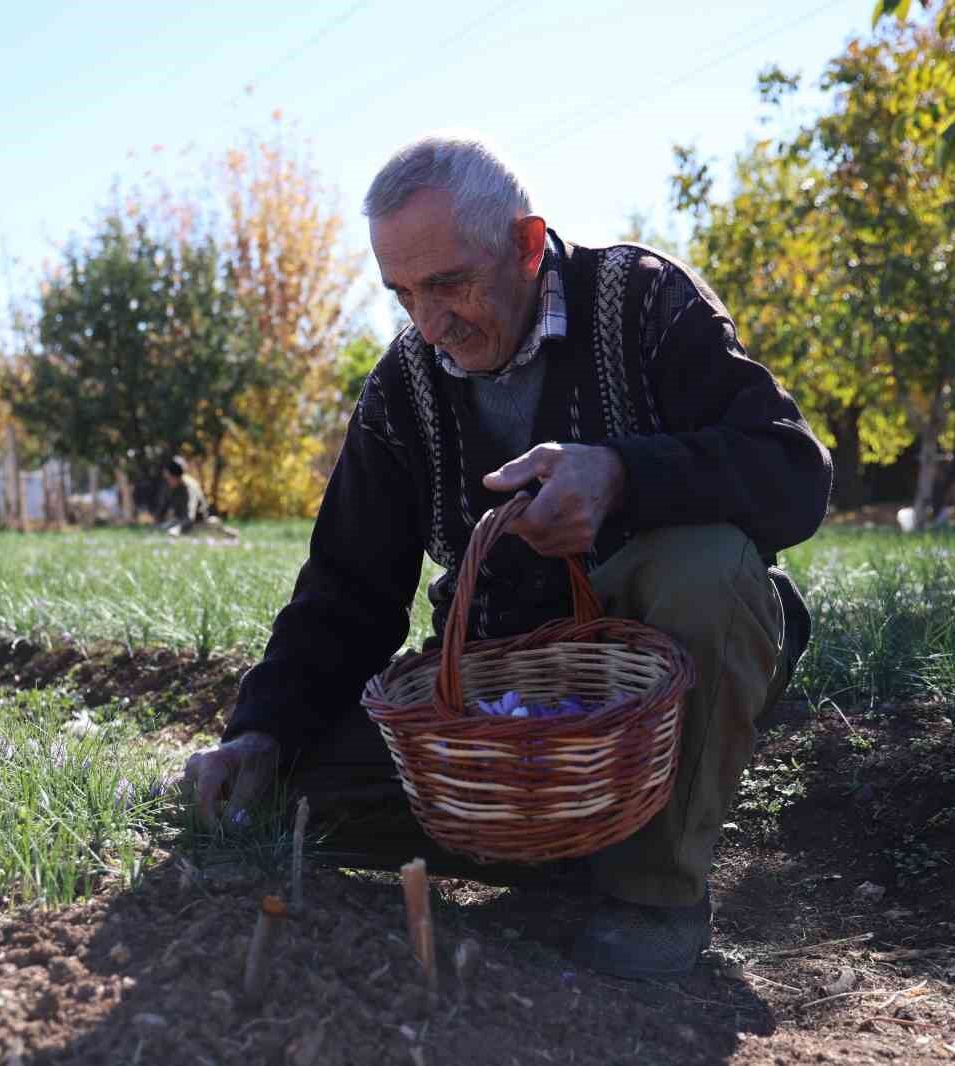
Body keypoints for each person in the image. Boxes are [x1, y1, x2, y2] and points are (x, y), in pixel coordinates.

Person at [181, 134, 832, 980]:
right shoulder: (405, 385)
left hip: (652, 681)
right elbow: (349, 587)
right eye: (403, 295)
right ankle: (561, 842)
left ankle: (651, 889)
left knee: (706, 567)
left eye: (449, 283)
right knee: (293, 793)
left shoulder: (643, 302)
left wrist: (622, 475)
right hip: (505, 706)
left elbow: (792, 473)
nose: (430, 323)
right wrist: (262, 732)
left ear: (527, 246)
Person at [155, 457, 209, 535]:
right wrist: (157, 521)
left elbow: (190, 517)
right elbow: (164, 507)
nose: (167, 480)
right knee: (160, 529)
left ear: (177, 476)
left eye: (169, 478)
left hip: (197, 522)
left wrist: (178, 529)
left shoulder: (190, 487)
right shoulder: (171, 486)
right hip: (179, 520)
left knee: (170, 531)